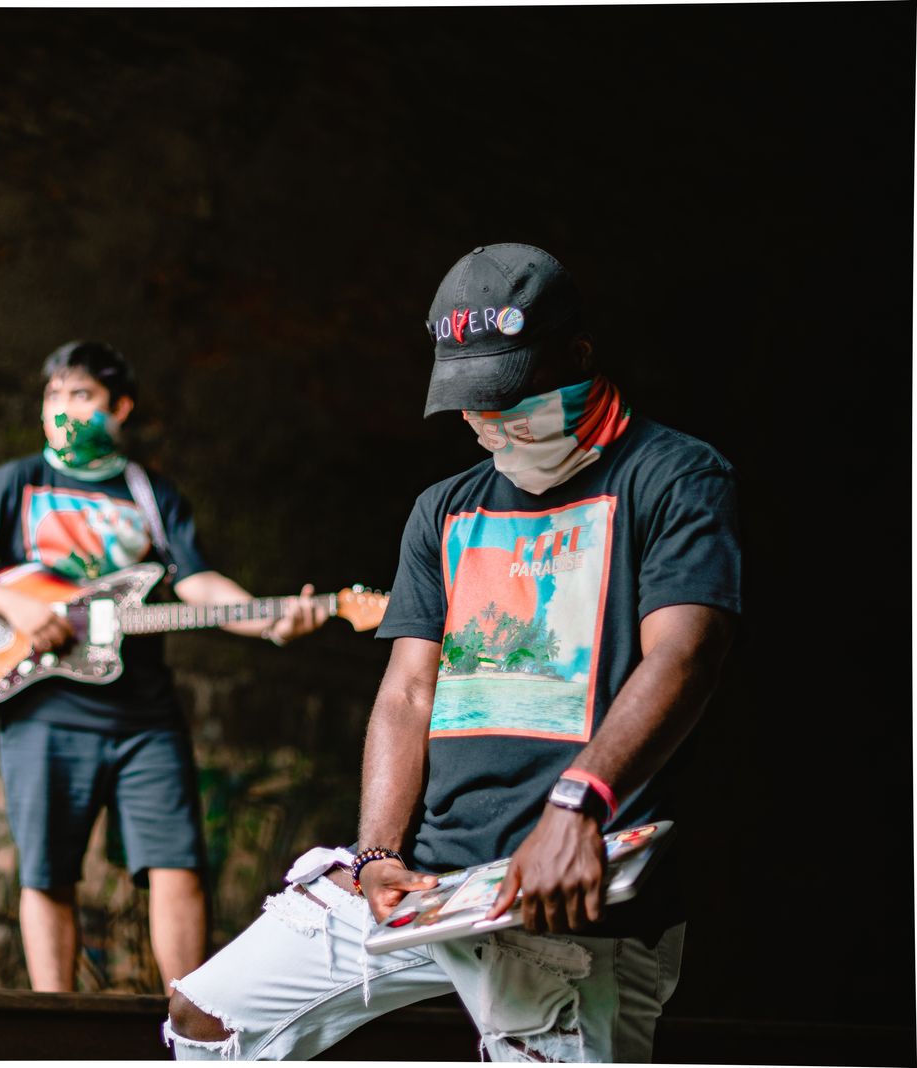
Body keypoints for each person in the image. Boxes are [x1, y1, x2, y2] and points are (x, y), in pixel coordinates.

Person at [164, 243, 741, 1061]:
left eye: (508, 393)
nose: (488, 420)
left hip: (571, 881)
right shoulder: (445, 509)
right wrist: (377, 853)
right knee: (208, 1018)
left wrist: (577, 808)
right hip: (434, 881)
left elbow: (684, 657)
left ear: (578, 357)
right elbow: (408, 693)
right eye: (472, 402)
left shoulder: (673, 475)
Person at [0, 340, 328, 993]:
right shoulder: (17, 483)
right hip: (45, 709)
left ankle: (189, 1019)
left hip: (144, 714)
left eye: (81, 395)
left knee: (179, 862)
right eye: (54, 395)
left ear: (120, 408)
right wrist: (14, 606)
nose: (63, 409)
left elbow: (197, 584)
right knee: (47, 872)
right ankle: (54, 1022)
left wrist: (268, 618)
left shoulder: (150, 493)